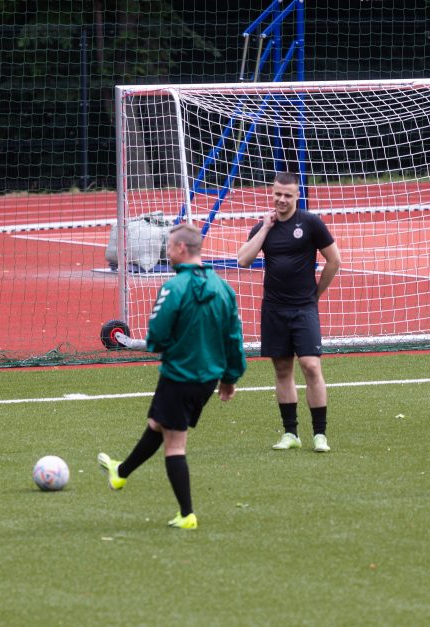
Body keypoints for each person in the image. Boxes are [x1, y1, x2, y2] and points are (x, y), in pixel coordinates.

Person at [98, 223, 247, 530]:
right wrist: (230, 378)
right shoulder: (223, 288)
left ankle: (187, 514)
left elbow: (157, 336)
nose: (166, 251)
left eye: (168, 245)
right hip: (206, 380)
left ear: (181, 249)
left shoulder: (173, 288)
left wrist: (163, 345)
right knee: (158, 423)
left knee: (175, 444)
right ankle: (121, 471)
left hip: (179, 376)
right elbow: (234, 338)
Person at [236, 171, 341, 453]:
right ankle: (291, 433)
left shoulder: (310, 223)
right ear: (272, 194)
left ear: (296, 196)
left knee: (311, 365)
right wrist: (266, 228)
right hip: (273, 308)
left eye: (287, 195)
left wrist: (316, 294)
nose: (281, 200)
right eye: (277, 194)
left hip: (303, 308)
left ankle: (320, 434)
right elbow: (243, 260)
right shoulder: (263, 227)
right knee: (282, 369)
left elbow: (334, 260)